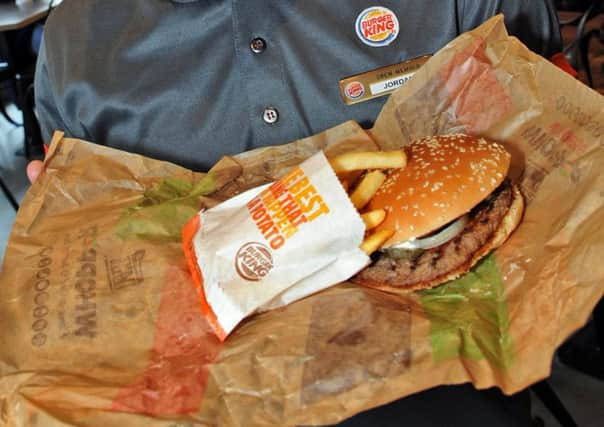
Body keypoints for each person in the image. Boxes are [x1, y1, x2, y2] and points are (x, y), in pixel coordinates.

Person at [29, 1, 564, 425]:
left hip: (445, 366)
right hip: (204, 385)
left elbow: (557, 139)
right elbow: (96, 250)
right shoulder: (74, 43)